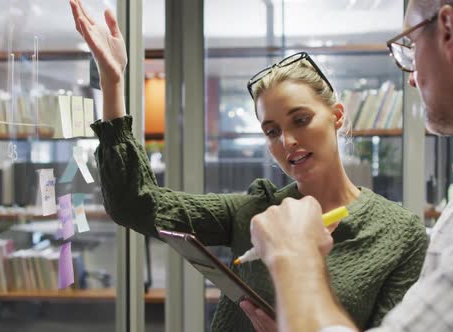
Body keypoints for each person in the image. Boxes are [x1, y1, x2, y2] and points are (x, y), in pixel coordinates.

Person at [68, 0, 428, 330]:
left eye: (300, 120)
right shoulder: (257, 211)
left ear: (336, 116)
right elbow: (136, 204)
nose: (286, 141)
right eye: (272, 131)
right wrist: (113, 82)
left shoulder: (400, 237)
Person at [246, 0, 453, 331]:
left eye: (411, 47)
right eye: (272, 131)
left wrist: (294, 257)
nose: (411, 79)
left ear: (448, 31)